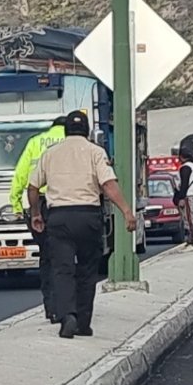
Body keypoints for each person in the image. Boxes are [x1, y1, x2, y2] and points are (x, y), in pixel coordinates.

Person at [28, 110, 138, 339]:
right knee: (88, 269)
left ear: (66, 130)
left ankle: (67, 315)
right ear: (87, 130)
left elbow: (33, 187)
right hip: (88, 216)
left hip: (59, 217)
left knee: (62, 269)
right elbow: (108, 184)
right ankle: (84, 322)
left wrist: (36, 214)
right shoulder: (95, 152)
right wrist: (127, 211)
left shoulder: (50, 154)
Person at [10, 116, 67, 322]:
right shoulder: (74, 140)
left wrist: (16, 205)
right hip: (66, 203)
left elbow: (20, 175)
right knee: (66, 257)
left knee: (47, 257)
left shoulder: (35, 142)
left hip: (39, 205)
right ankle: (67, 307)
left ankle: (50, 308)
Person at [174, 148, 193, 250]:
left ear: (182, 157)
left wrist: (181, 197)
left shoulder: (185, 168)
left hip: (189, 196)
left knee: (190, 219)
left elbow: (184, 184)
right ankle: (190, 240)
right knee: (191, 218)